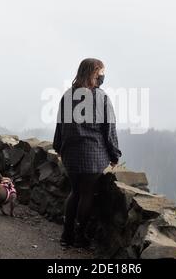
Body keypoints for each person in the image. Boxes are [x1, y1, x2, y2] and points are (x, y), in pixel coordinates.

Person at [52, 58, 122, 248]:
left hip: (71, 155)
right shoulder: (101, 98)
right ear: (94, 72)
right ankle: (80, 237)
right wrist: (115, 155)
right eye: (101, 72)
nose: (103, 76)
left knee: (75, 192)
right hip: (93, 155)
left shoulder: (67, 95)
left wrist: (58, 147)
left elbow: (60, 126)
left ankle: (66, 236)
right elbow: (109, 130)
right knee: (87, 194)